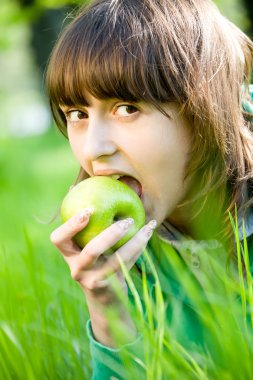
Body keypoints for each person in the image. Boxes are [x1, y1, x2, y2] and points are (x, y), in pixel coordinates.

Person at [46, 0, 253, 378]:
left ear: (206, 107)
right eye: (77, 113)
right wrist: (108, 308)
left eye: (127, 108)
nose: (94, 150)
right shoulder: (127, 259)